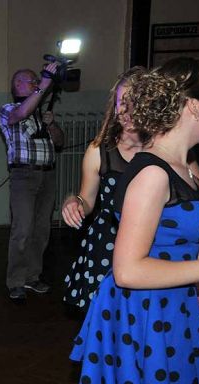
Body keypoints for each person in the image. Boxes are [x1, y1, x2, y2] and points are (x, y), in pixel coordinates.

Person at [70, 57, 199, 384]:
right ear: (195, 105)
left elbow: (175, 235)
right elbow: (129, 271)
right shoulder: (153, 172)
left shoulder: (180, 167)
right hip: (147, 309)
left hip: (170, 302)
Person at [61, 67, 146, 312]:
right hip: (107, 244)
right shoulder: (98, 150)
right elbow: (86, 199)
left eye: (135, 102)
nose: (127, 110)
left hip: (152, 243)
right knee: (107, 320)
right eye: (122, 102)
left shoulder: (167, 149)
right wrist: (73, 202)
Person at [0, 63, 65, 300]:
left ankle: (32, 277)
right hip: (24, 176)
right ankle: (15, 281)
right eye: (32, 80)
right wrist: (45, 84)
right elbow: (20, 115)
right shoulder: (8, 109)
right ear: (18, 85)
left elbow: (59, 142)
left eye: (38, 80)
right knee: (23, 229)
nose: (37, 82)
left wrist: (52, 124)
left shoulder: (40, 113)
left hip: (47, 175)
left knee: (41, 230)